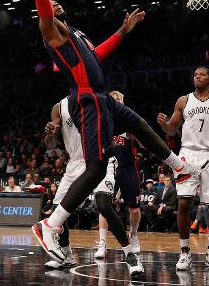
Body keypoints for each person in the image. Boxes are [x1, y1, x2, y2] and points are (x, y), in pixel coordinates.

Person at [9, 0, 206, 276]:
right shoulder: (50, 30)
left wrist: (122, 30)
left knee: (141, 124)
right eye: (47, 3)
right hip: (88, 100)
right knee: (96, 167)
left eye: (55, 0)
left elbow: (97, 56)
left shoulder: (77, 34)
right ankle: (52, 225)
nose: (52, 1)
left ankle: (179, 166)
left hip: (102, 96)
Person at [43, 95, 138, 275]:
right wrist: (50, 133)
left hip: (100, 159)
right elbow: (50, 144)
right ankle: (67, 255)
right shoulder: (59, 106)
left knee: (103, 204)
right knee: (57, 209)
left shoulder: (98, 100)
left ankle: (130, 255)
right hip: (75, 163)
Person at [157, 68, 209, 270]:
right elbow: (171, 129)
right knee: (184, 203)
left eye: (202, 74)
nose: (197, 77)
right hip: (188, 154)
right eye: (195, 74)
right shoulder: (183, 101)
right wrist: (163, 124)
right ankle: (185, 252)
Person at [95, 91, 144, 257]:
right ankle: (102, 244)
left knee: (135, 210)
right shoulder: (103, 122)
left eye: (118, 100)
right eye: (113, 100)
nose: (115, 103)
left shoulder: (129, 120)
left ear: (123, 103)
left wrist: (136, 136)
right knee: (104, 206)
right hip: (108, 166)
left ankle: (134, 235)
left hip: (127, 167)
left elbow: (144, 143)